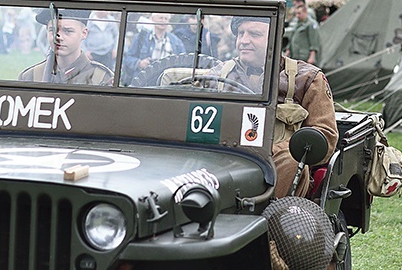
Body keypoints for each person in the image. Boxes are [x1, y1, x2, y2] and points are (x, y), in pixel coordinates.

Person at [209, 16, 338, 198]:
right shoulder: (218, 76)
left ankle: (269, 219)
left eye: (254, 34)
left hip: (279, 172)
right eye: (240, 33)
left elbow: (326, 136)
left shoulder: (307, 79)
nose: (244, 40)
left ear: (274, 40)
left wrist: (272, 151)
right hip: (225, 161)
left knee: (291, 158)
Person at [19, 8, 113, 85]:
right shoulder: (31, 77)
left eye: (67, 31)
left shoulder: (101, 78)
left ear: (84, 33)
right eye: (53, 30)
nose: (58, 37)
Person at [122, 12, 185, 84]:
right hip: (144, 82)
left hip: (167, 83)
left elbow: (182, 63)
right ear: (153, 19)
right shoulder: (141, 37)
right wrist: (139, 63)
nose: (163, 21)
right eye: (160, 18)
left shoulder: (176, 41)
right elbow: (128, 59)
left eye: (166, 19)